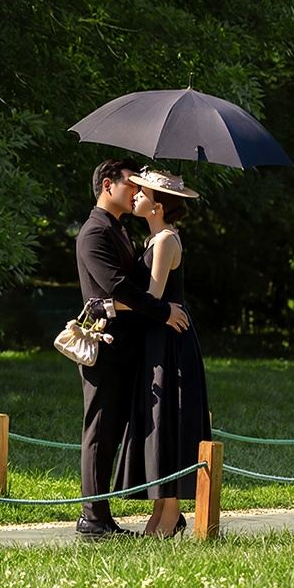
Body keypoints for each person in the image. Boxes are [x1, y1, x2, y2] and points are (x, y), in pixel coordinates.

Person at [74, 159, 190, 539]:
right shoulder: (95, 232)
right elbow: (116, 287)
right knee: (100, 428)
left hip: (129, 346)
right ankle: (92, 517)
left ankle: (108, 515)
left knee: (115, 429)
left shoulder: (120, 230)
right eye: (130, 184)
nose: (135, 191)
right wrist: (162, 310)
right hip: (106, 346)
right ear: (108, 185)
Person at [114, 169, 213, 538]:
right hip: (157, 340)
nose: (135, 196)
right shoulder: (154, 239)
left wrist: (107, 305)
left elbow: (153, 299)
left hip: (171, 344)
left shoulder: (166, 240)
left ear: (157, 205)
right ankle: (162, 510)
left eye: (142, 193)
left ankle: (170, 514)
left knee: (169, 415)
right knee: (159, 416)